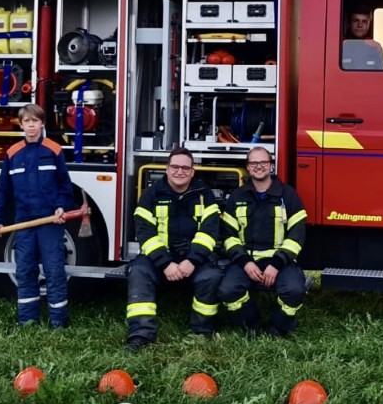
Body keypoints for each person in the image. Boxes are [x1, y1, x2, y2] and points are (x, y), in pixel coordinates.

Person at [0, 104, 74, 328]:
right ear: (21, 124)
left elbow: (65, 185)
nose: (31, 126)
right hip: (24, 223)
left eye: (35, 121)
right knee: (25, 271)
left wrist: (61, 206)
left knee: (54, 271)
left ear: (42, 123)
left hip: (49, 223)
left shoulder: (54, 150)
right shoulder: (13, 154)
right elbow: (3, 190)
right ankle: (27, 320)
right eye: (27, 122)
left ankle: (59, 323)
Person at [125, 148, 223, 350]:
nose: (180, 171)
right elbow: (145, 234)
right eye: (175, 167)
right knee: (139, 271)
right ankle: (141, 335)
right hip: (160, 260)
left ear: (192, 172)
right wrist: (165, 263)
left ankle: (202, 331)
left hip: (192, 259)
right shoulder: (151, 195)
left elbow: (209, 232)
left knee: (211, 276)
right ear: (167, 169)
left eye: (185, 168)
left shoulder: (205, 196)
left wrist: (192, 260)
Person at [219, 147, 308, 338]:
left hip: (279, 262)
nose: (258, 166)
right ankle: (251, 325)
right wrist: (245, 262)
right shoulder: (238, 197)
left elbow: (297, 235)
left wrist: (276, 264)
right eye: (253, 163)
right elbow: (229, 236)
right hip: (246, 261)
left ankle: (279, 327)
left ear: (271, 166)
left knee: (294, 290)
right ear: (248, 168)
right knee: (228, 290)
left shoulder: (288, 196)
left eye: (263, 162)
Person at [341, 6, 383, 70]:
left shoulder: (375, 47)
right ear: (349, 23)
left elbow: (382, 76)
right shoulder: (339, 45)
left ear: (368, 25)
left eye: (364, 22)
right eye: (356, 21)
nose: (360, 25)